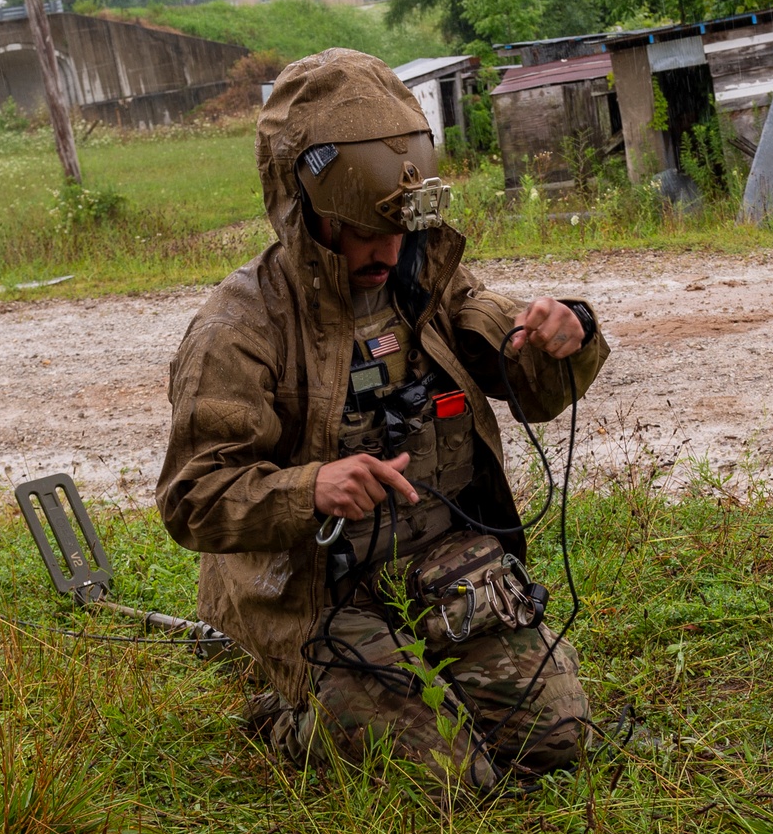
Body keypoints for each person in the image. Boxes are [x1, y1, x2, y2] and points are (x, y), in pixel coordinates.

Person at [157, 49, 609, 788]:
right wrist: (310, 489)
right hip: (314, 589)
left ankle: (411, 664)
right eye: (363, 229)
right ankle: (281, 709)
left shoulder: (425, 281)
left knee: (558, 739)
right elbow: (192, 497)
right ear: (304, 207)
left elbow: (528, 381)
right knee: (451, 780)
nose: (386, 250)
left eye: (398, 226)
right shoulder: (239, 326)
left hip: (439, 562)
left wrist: (567, 332)